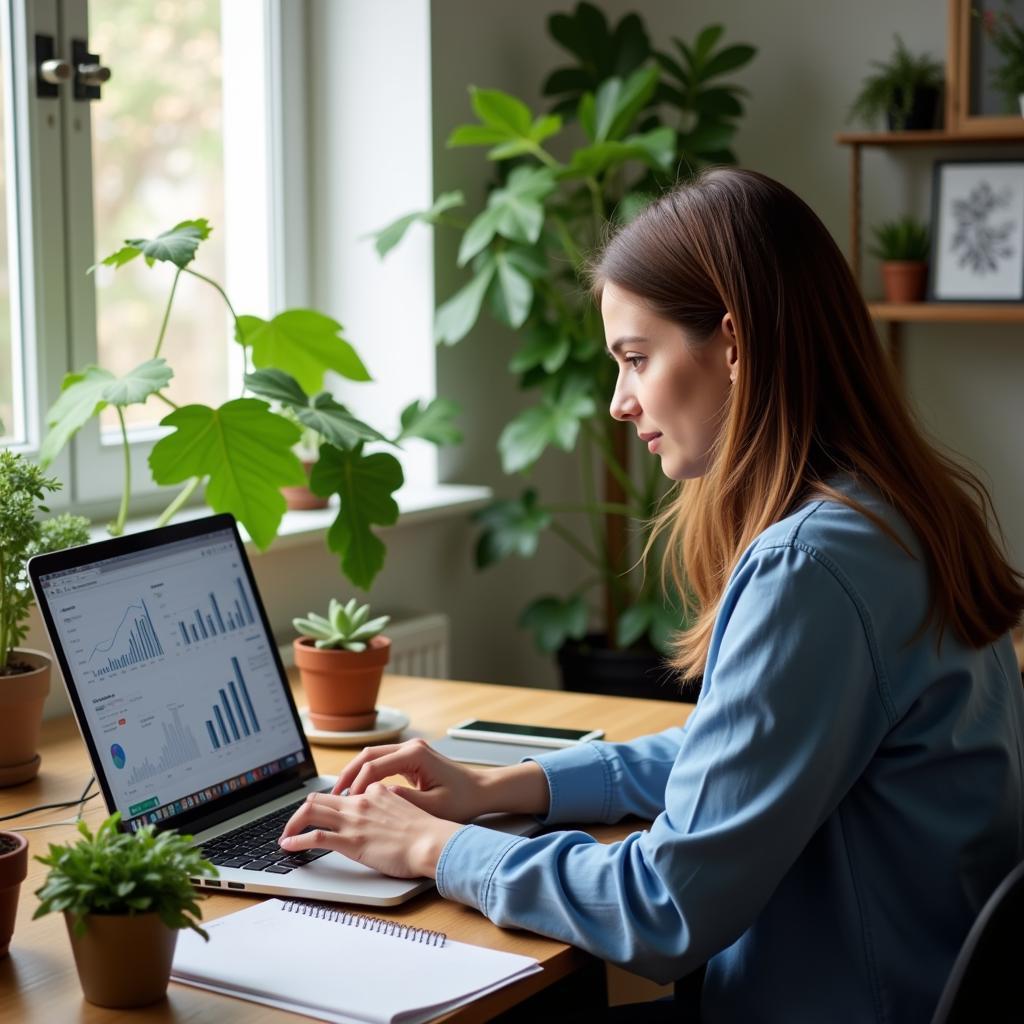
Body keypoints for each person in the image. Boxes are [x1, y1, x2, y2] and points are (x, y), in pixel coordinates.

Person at [280, 168, 1024, 1022]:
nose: (618, 402)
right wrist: (508, 786)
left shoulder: (812, 567)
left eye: (636, 358)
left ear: (736, 345)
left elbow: (663, 908)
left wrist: (437, 847)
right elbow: (743, 756)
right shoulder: (895, 516)